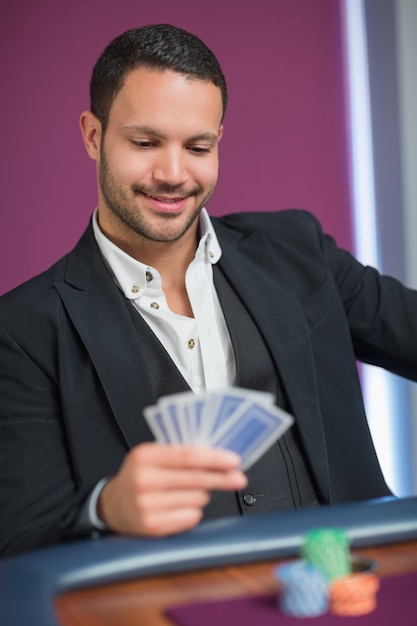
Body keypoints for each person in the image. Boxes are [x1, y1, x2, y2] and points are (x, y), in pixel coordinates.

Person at [0, 23, 414, 559]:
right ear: (93, 135)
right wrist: (104, 508)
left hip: (349, 592)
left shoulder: (298, 250)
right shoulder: (23, 329)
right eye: (145, 142)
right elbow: (19, 538)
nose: (173, 173)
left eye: (198, 146)